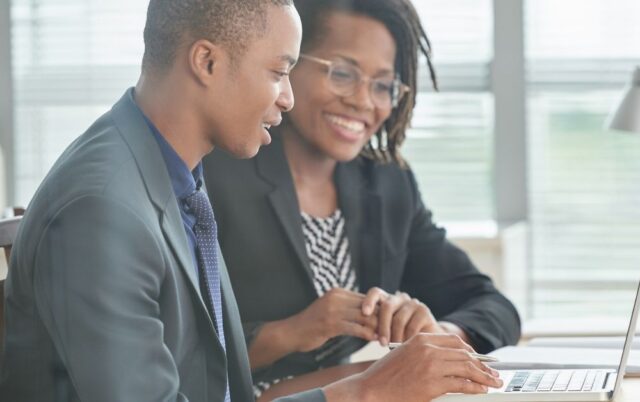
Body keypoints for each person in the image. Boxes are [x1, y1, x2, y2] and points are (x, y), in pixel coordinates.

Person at [0, 0, 501, 401]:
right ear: (207, 61)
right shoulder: (104, 208)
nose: (287, 97)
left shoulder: (176, 176)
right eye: (279, 72)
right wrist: (366, 391)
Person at [204, 0, 522, 396]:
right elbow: (181, 353)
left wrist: (438, 336)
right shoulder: (217, 172)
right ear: (288, 65)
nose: (363, 101)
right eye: (342, 73)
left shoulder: (386, 182)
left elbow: (492, 306)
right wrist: (293, 332)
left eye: (383, 85)